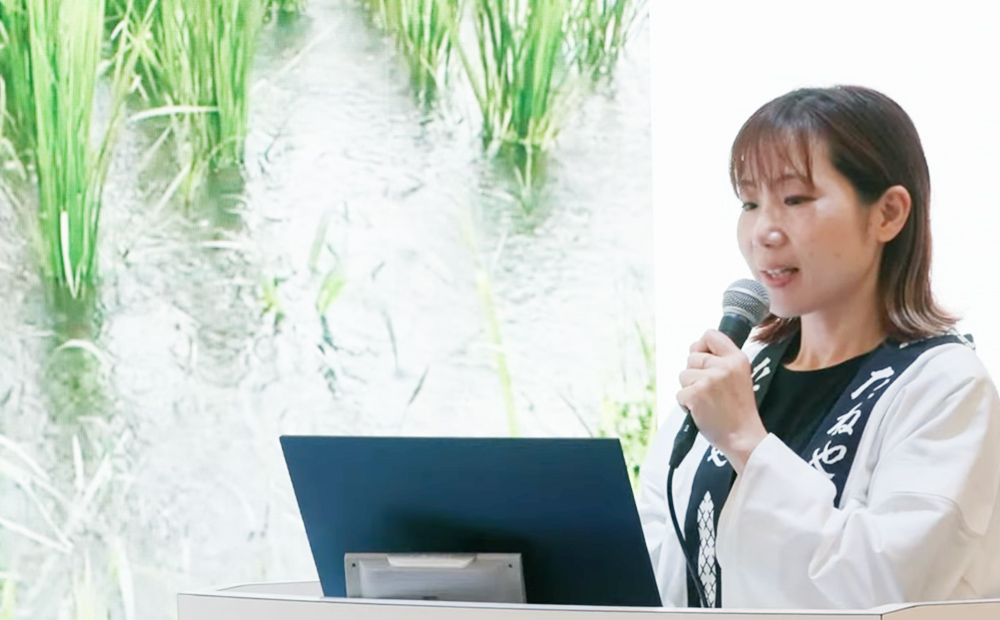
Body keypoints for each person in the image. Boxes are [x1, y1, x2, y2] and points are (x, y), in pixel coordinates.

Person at [638, 85, 1000, 609]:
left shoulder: (946, 386)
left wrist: (746, 440)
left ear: (888, 214)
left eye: (795, 200)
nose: (764, 231)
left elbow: (887, 590)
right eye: (749, 202)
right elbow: (658, 558)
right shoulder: (743, 374)